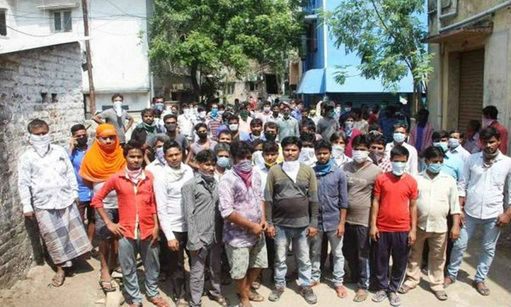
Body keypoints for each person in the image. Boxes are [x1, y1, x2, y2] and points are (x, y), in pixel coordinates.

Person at [91, 141, 168, 307]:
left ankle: (153, 293)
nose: (135, 160)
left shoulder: (149, 177)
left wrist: (156, 226)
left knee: (152, 264)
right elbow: (97, 200)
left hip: (148, 229)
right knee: (128, 266)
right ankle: (134, 298)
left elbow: (154, 203)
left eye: (139, 157)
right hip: (125, 230)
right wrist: (109, 223)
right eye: (132, 156)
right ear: (125, 157)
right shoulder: (117, 178)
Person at [18, 119, 92, 287]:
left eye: (44, 133)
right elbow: (23, 183)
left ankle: (72, 262)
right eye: (38, 134)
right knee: (52, 236)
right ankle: (60, 268)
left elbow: (69, 172)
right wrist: (27, 206)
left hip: (65, 198)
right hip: (44, 203)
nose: (42, 137)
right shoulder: (27, 157)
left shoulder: (59, 151)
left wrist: (74, 192)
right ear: (30, 137)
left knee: (70, 233)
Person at [444, 127, 511, 296]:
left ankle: (480, 279)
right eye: (485, 142)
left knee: (488, 248)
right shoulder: (472, 159)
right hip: (470, 212)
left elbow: (510, 192)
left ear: (499, 142)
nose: (488, 145)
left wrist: (507, 214)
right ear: (480, 142)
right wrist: (459, 211)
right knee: (459, 244)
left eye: (492, 142)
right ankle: (451, 274)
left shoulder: (507, 163)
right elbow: (462, 185)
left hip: (494, 214)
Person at [399, 146, 460, 301]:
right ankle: (412, 279)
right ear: (426, 161)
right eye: (434, 161)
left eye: (440, 161)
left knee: (438, 256)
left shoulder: (449, 180)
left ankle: (437, 284)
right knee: (415, 253)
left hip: (440, 226)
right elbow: (409, 203)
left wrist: (455, 225)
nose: (437, 164)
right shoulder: (416, 179)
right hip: (418, 225)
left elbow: (455, 206)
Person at [265, 136, 319, 305]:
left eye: (293, 150)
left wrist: (313, 223)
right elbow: (268, 199)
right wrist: (269, 222)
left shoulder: (308, 171)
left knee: (303, 258)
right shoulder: (274, 171)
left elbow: (314, 199)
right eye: (287, 150)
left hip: (302, 224)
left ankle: (305, 285)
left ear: (299, 152)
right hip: (280, 224)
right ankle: (279, 285)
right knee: (280, 258)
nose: (290, 153)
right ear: (283, 151)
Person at [218, 141, 268, 307]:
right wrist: (250, 225)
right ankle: (244, 298)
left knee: (258, 264)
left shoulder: (256, 174)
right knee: (239, 271)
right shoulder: (227, 179)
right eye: (241, 157)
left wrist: (263, 220)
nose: (245, 161)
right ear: (232, 158)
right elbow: (226, 211)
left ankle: (245, 290)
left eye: (248, 157)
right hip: (237, 235)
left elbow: (260, 197)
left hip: (257, 231)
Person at [80, 124, 127, 293]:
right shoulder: (90, 157)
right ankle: (105, 270)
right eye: (104, 138)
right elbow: (87, 180)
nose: (108, 140)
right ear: (97, 139)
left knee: (120, 237)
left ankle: (117, 263)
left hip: (123, 204)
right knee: (104, 238)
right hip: (103, 205)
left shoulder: (122, 154)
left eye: (111, 137)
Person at [370, 145, 418, 306]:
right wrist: (373, 225)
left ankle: (393, 289)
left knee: (400, 261)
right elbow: (375, 202)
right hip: (383, 227)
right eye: (396, 161)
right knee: (381, 260)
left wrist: (413, 230)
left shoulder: (411, 182)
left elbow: (413, 206)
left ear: (406, 162)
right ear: (390, 161)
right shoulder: (382, 179)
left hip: (402, 229)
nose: (399, 164)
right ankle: (382, 288)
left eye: (402, 161)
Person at [182, 150, 228, 307]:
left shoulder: (217, 183)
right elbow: (189, 215)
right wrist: (194, 240)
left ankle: (215, 292)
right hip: (199, 236)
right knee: (197, 272)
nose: (210, 168)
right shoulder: (190, 186)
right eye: (207, 164)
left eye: (213, 164)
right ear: (199, 165)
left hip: (215, 234)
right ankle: (195, 301)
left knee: (216, 267)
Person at [153, 141, 194, 307]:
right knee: (176, 264)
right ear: (165, 157)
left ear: (182, 153)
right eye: (170, 155)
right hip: (173, 226)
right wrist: (169, 236)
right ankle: (180, 295)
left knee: (194, 260)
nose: (174, 158)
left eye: (177, 154)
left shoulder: (188, 170)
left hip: (190, 225)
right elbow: (161, 208)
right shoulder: (161, 176)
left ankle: (194, 291)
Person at [342, 135, 382, 302]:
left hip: (363, 219)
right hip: (346, 218)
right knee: (347, 250)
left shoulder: (376, 171)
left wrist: (374, 223)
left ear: (368, 151)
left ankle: (362, 285)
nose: (359, 152)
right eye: (356, 148)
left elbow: (377, 199)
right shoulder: (345, 167)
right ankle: (354, 274)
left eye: (363, 149)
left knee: (363, 253)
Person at [310, 140, 348, 298]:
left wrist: (342, 223)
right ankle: (315, 277)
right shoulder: (311, 172)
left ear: (330, 154)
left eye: (325, 153)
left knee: (338, 253)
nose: (322, 156)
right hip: (316, 221)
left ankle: (338, 282)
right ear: (315, 154)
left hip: (334, 220)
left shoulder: (339, 173)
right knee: (315, 251)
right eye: (319, 153)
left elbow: (344, 201)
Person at [69, 124, 94, 244]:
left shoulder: (93, 149)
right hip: (79, 191)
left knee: (93, 219)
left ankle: (89, 242)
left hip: (93, 190)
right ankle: (80, 244)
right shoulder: (69, 152)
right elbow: (64, 166)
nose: (82, 137)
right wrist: (70, 148)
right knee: (78, 219)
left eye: (84, 135)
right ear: (73, 137)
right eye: (78, 136)